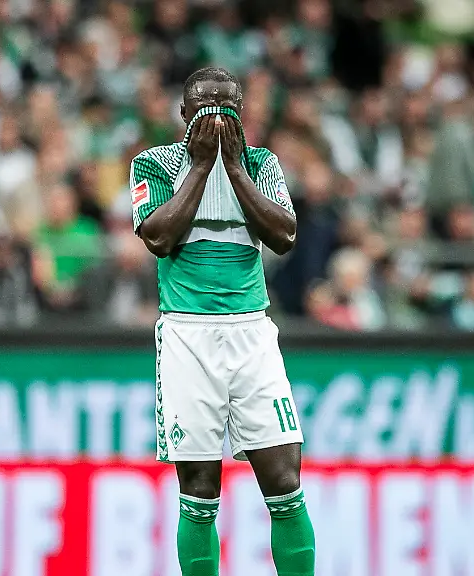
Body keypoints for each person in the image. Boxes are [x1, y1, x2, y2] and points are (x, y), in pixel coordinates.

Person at [131, 67, 314, 576]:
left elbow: (284, 236)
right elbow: (160, 237)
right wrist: (200, 168)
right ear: (184, 115)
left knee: (284, 477)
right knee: (199, 486)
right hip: (188, 335)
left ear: (242, 116)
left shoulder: (259, 163)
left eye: (226, 109)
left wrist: (232, 169)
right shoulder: (155, 164)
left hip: (251, 329)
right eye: (204, 108)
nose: (215, 118)